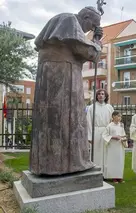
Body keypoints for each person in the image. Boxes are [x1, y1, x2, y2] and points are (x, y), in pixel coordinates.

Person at [30, 6, 103, 175]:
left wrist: (94, 39)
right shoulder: (69, 20)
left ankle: (47, 165)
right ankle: (66, 165)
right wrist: (97, 41)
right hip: (63, 74)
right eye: (92, 25)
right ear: (85, 17)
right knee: (67, 118)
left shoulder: (63, 22)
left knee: (51, 121)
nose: (91, 29)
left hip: (53, 73)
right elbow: (88, 52)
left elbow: (79, 53)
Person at [87, 89, 114, 177]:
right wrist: (90, 136)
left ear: (105, 96)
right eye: (99, 94)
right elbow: (88, 122)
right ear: (96, 96)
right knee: (97, 153)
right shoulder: (92, 107)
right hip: (96, 132)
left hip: (106, 131)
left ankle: (106, 174)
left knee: (107, 152)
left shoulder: (109, 107)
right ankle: (96, 173)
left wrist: (112, 134)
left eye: (102, 94)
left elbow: (112, 121)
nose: (101, 95)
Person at [101, 111, 127, 183]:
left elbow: (123, 134)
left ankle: (119, 176)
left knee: (120, 161)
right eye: (118, 116)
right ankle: (114, 177)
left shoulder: (121, 126)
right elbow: (104, 135)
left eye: (120, 116)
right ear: (113, 117)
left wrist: (123, 138)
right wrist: (113, 137)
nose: (119, 118)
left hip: (119, 146)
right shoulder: (109, 126)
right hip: (112, 147)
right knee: (113, 161)